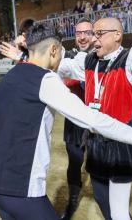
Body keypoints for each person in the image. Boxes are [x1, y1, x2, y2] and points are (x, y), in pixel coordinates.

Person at [0, 16, 132, 219]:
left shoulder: (131, 58)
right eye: (93, 34)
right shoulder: (87, 60)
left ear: (117, 35)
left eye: (99, 34)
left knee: (118, 212)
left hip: (122, 145)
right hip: (96, 144)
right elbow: (58, 65)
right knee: (101, 199)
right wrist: (24, 58)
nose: (94, 39)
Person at [0, 24, 132, 220]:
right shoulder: (45, 80)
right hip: (18, 188)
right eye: (62, 53)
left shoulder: (9, 77)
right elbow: (92, 119)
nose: (62, 61)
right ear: (53, 50)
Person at [60, 18, 94, 220]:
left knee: (100, 161)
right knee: (75, 161)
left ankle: (107, 200)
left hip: (99, 117)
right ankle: (72, 200)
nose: (82, 37)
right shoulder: (70, 56)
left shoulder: (101, 55)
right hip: (74, 118)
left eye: (86, 32)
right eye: (78, 33)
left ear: (94, 34)